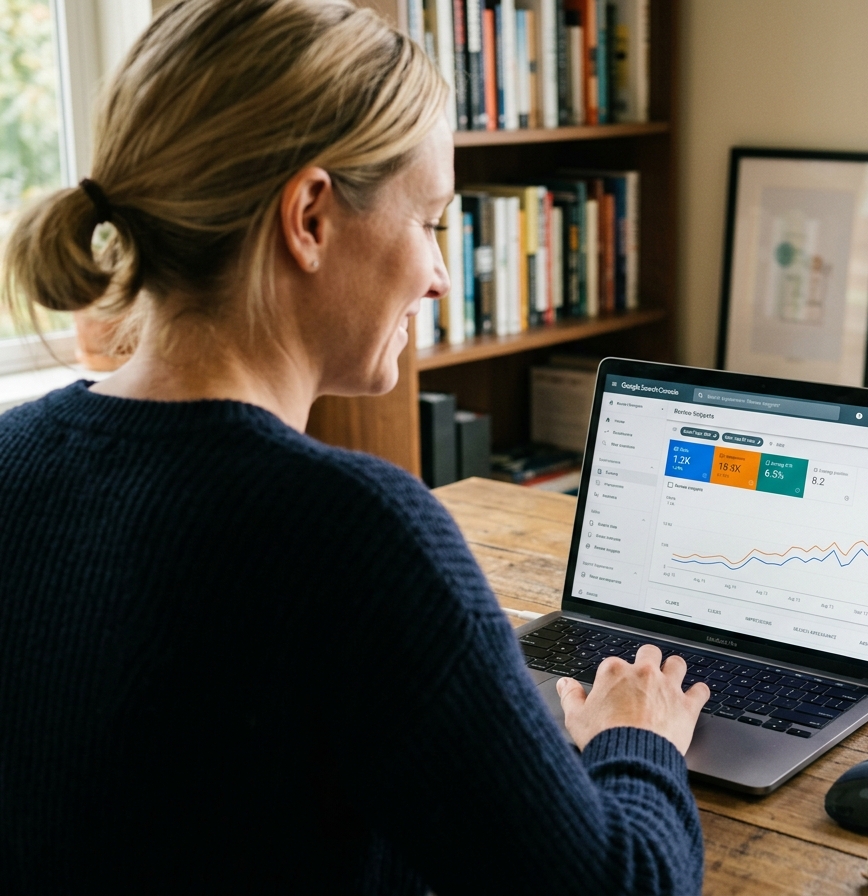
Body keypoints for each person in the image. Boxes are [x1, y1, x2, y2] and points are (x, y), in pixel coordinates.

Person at [0, 1, 708, 892]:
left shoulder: (12, 456)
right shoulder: (358, 534)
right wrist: (638, 735)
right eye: (432, 223)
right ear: (309, 217)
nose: (441, 277)